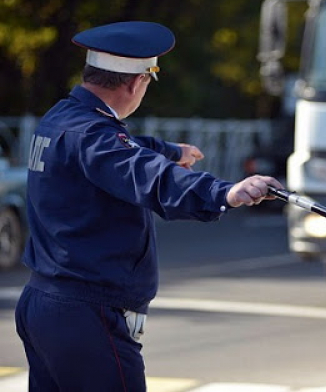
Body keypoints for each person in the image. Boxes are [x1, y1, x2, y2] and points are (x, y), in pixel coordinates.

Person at [14, 21, 284, 391]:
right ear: (135, 82)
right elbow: (147, 174)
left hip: (44, 303)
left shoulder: (62, 118)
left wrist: (171, 151)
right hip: (87, 315)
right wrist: (225, 192)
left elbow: (121, 149)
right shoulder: (95, 134)